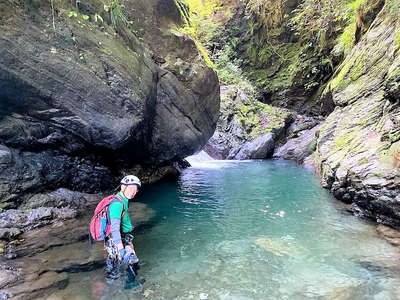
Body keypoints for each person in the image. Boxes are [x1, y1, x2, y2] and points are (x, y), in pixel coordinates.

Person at [104, 175, 141, 281]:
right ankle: (125, 286)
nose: (133, 192)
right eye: (130, 189)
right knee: (123, 264)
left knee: (117, 264)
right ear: (122, 187)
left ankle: (118, 285)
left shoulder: (123, 199)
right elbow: (114, 229)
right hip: (116, 239)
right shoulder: (117, 204)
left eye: (135, 190)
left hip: (122, 237)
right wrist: (121, 248)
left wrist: (128, 241)